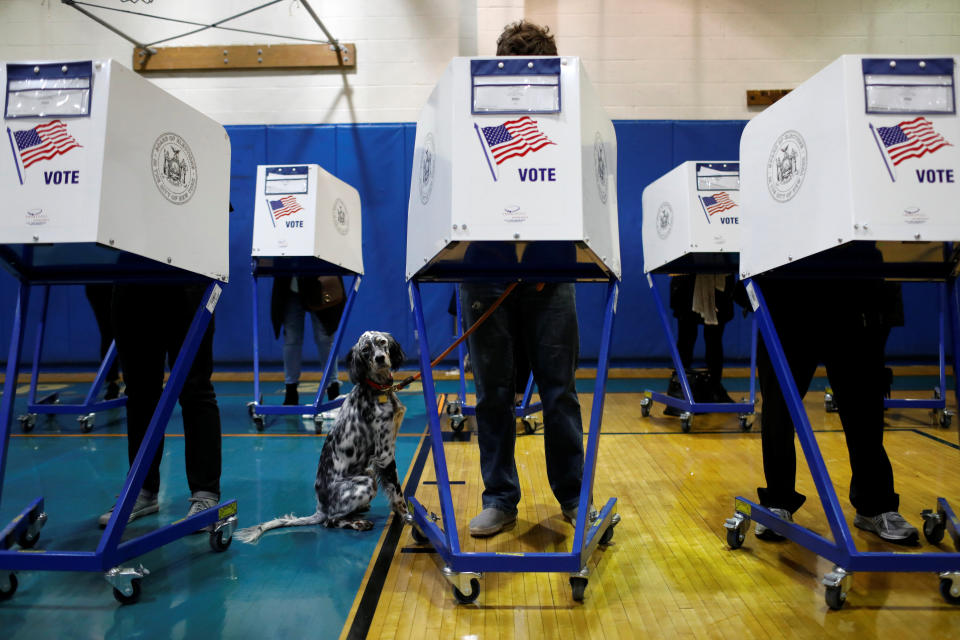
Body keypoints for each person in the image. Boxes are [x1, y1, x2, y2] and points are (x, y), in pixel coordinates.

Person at [461, 20, 588, 538]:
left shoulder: (570, 117)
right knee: (492, 393)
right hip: (485, 268)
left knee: (559, 392)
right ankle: (500, 498)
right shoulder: (470, 113)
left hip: (551, 270)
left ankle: (575, 496)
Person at [752, 244, 919, 545]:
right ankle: (777, 502)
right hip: (788, 287)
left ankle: (875, 506)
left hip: (853, 283)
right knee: (779, 406)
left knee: (864, 404)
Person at [98, 282, 223, 527]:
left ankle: (205, 494)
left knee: (195, 389)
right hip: (132, 285)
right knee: (139, 393)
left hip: (188, 282)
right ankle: (141, 490)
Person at [663, 274, 735, 415]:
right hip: (687, 279)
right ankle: (680, 387)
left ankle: (714, 387)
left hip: (718, 281)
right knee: (686, 336)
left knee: (714, 337)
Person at [270, 275, 345, 406]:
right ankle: (291, 390)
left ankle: (333, 388)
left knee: (325, 337)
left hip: (320, 279)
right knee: (291, 338)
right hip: (289, 281)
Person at [84, 284, 121, 400]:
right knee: (108, 334)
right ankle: (112, 383)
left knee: (109, 334)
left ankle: (113, 384)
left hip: (104, 283)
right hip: (102, 284)